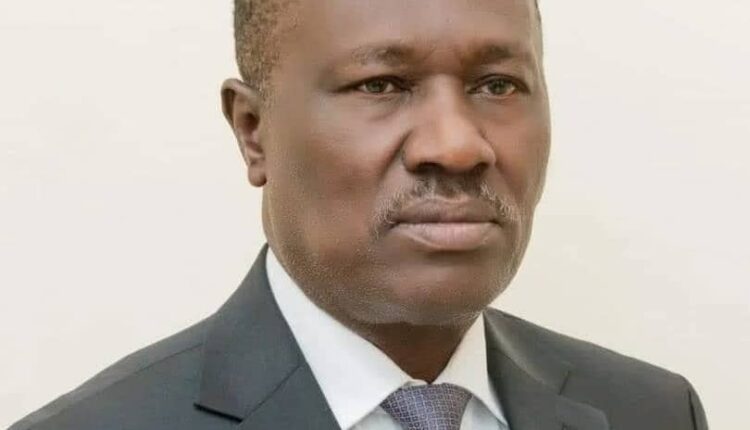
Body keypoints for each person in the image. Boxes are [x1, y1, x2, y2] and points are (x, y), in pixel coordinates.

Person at [11, 0, 708, 429]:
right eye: (382, 85)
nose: (456, 146)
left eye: (498, 85)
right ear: (254, 131)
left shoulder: (651, 412)